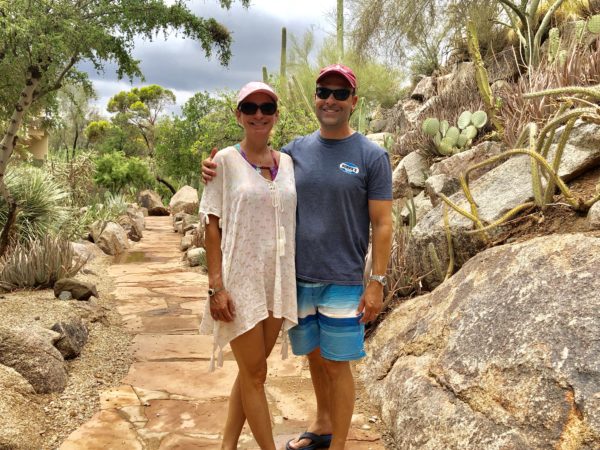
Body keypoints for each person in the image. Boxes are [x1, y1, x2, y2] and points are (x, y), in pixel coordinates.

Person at [203, 64, 393, 450]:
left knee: (335, 365)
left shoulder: (371, 155)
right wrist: (212, 168)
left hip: (341, 279)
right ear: (315, 97)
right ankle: (320, 427)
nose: (331, 100)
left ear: (354, 102)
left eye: (341, 94)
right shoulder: (293, 154)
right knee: (305, 362)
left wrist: (377, 281)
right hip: (295, 279)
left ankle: (337, 443)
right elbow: (246, 169)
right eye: (325, 91)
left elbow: (383, 223)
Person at [198, 81, 298, 450]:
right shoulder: (223, 161)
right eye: (250, 107)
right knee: (257, 373)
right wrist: (215, 287)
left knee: (250, 371)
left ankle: (227, 444)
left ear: (275, 114)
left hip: (278, 279)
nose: (259, 114)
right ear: (238, 114)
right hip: (239, 282)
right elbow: (212, 225)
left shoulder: (287, 163)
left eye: (267, 107)